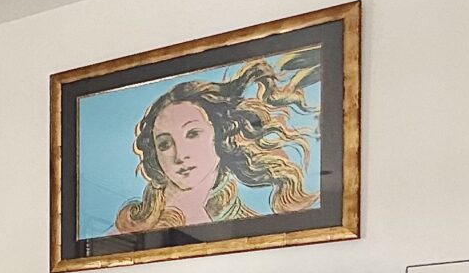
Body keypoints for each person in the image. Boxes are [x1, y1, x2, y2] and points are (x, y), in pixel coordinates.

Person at [111, 58, 317, 235]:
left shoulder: (237, 221)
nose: (180, 155)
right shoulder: (133, 226)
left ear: (220, 135)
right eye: (164, 144)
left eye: (192, 134)